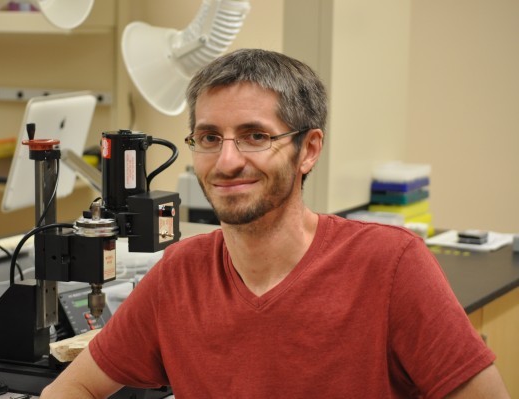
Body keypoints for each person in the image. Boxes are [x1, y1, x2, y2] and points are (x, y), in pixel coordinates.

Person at [40, 48, 509, 398]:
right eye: (208, 137)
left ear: (308, 149)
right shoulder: (180, 273)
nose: (226, 161)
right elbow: (70, 391)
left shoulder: (389, 263)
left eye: (254, 136)